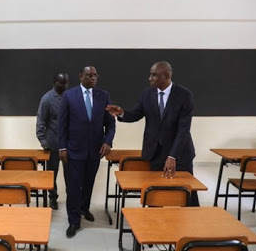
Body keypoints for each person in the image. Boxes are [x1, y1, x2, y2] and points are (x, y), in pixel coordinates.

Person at [106, 61, 199, 206]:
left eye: (154, 75)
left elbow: (183, 130)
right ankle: (155, 226)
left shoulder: (184, 95)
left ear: (166, 75)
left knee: (187, 194)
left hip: (180, 154)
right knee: (155, 196)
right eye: (150, 75)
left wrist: (172, 156)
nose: (150, 78)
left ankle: (189, 225)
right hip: (155, 153)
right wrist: (122, 113)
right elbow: (137, 113)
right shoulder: (147, 93)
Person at [58, 66, 116, 238]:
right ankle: (74, 220)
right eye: (89, 75)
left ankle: (84, 208)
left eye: (95, 75)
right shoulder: (69, 96)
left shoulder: (103, 95)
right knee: (74, 186)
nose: (93, 78)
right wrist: (62, 147)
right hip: (74, 150)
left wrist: (108, 141)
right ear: (81, 76)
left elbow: (110, 124)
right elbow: (62, 124)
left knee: (89, 182)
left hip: (95, 150)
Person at [36, 72, 69, 210]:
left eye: (66, 82)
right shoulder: (47, 99)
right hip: (53, 143)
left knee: (70, 174)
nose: (65, 85)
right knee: (52, 173)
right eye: (62, 83)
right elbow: (41, 121)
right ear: (55, 82)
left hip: (69, 144)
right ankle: (53, 198)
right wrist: (43, 140)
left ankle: (71, 198)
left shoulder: (70, 96)